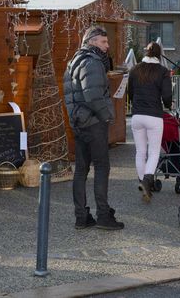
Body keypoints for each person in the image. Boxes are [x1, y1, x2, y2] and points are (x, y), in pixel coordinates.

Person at [64, 25, 123, 230]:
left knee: (81, 170)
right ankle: (103, 216)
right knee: (101, 167)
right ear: (92, 42)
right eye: (104, 42)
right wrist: (107, 117)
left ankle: (81, 217)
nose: (107, 46)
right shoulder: (92, 62)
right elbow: (93, 96)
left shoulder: (74, 61)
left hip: (79, 123)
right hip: (93, 123)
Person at [127, 42, 173, 202]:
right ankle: (147, 181)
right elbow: (167, 95)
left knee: (140, 152)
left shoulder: (134, 69)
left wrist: (137, 103)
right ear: (159, 54)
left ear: (145, 52)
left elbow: (130, 93)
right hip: (154, 115)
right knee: (154, 151)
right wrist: (169, 105)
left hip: (137, 116)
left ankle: (142, 181)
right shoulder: (162, 71)